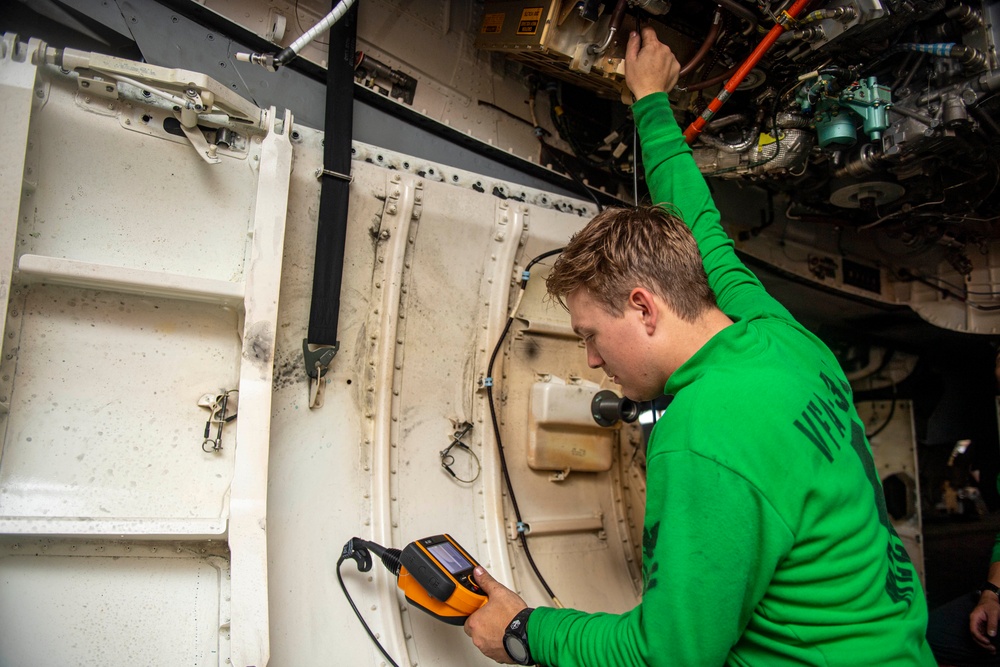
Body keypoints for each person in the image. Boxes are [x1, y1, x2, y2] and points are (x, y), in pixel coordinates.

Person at [463, 27, 936, 666]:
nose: (593, 360)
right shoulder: (778, 337)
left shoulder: (700, 433)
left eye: (591, 337)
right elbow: (703, 230)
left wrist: (523, 631)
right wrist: (650, 102)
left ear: (642, 307)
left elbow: (672, 655)